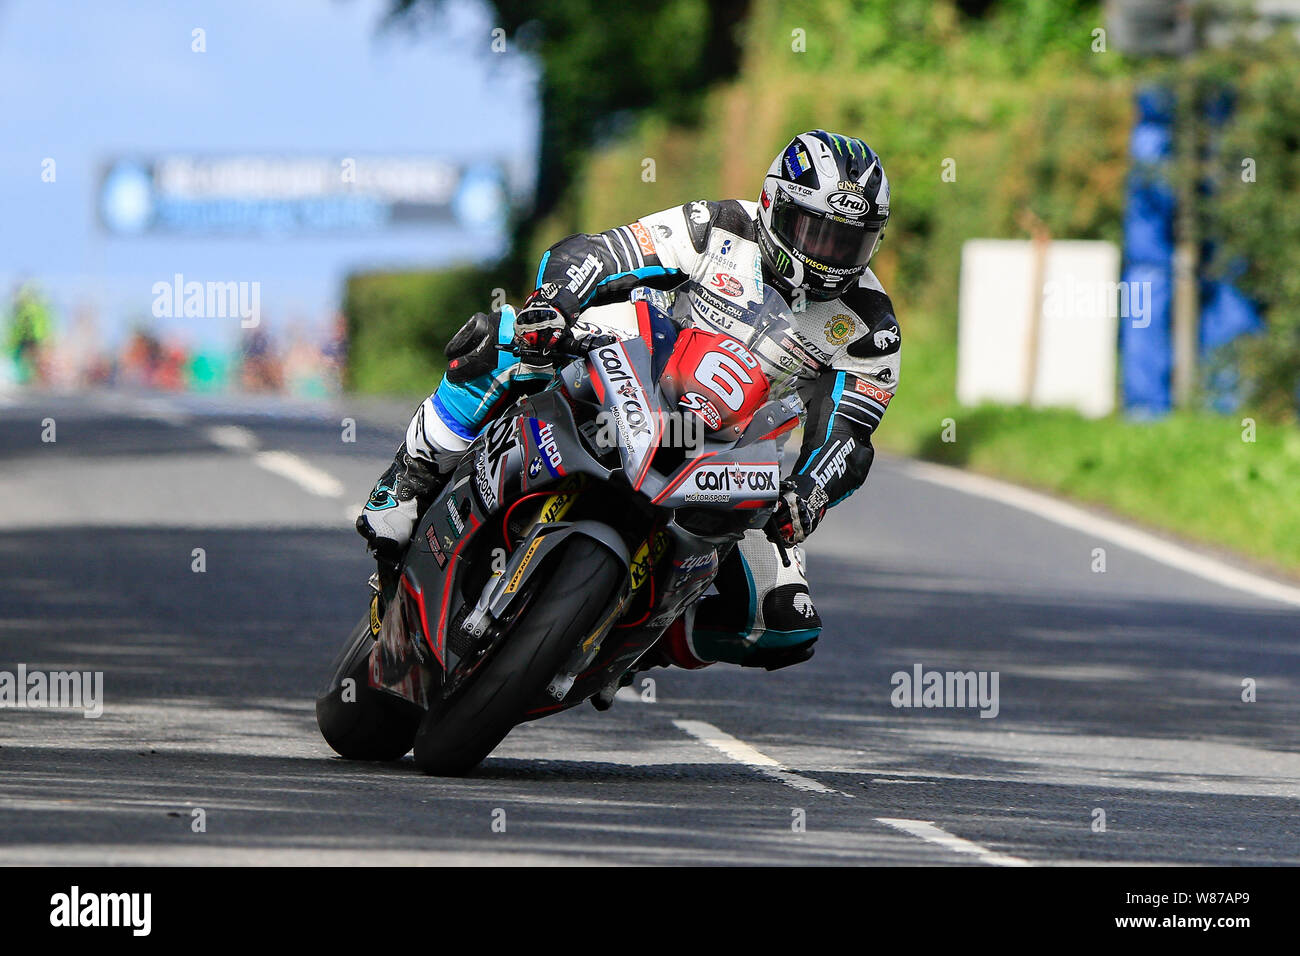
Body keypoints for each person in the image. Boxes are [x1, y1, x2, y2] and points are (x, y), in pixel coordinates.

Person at [358, 130, 900, 672]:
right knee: (498, 338)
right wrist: (555, 305)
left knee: (784, 626)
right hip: (639, 356)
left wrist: (808, 495)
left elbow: (849, 435)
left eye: (847, 243)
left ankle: (635, 642)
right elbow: (600, 252)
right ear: (773, 205)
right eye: (815, 232)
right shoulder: (717, 226)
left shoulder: (872, 326)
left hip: (739, 454)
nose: (826, 256)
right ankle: (409, 480)